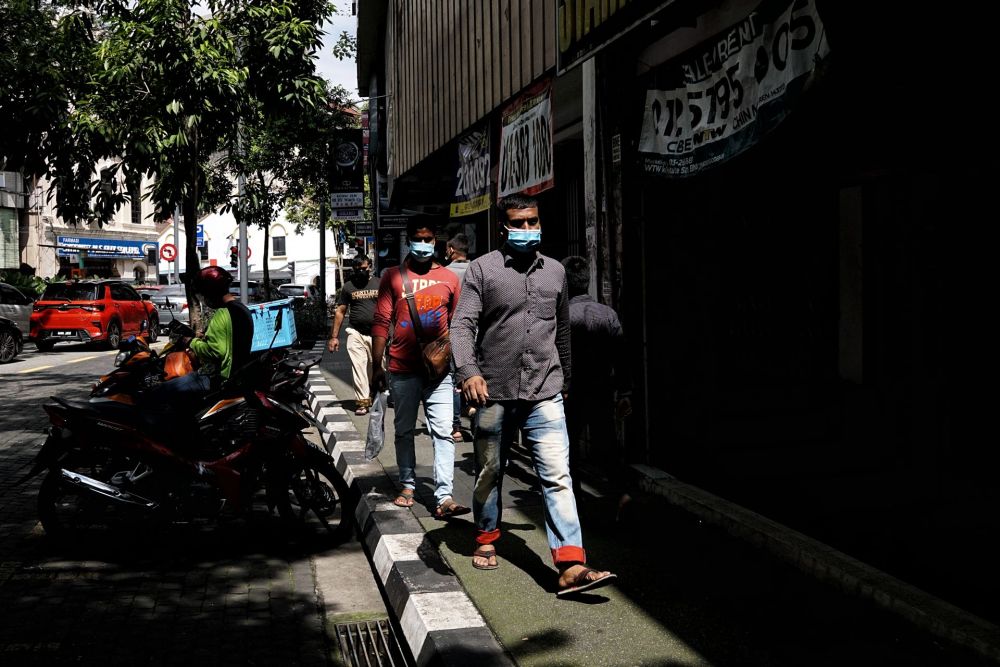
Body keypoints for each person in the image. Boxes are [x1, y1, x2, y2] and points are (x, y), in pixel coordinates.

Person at [451, 193, 617, 597]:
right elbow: (461, 327)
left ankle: (570, 564)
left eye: (533, 221)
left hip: (546, 392)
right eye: (519, 223)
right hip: (494, 393)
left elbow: (561, 333)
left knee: (558, 476)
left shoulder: (556, 272)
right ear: (502, 227)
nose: (528, 230)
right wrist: (468, 372)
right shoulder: (481, 271)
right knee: (491, 471)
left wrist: (567, 383)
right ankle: (487, 536)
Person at [371, 216, 470, 519]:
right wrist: (377, 366)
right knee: (404, 431)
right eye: (418, 238)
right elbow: (381, 323)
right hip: (402, 369)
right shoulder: (392, 276)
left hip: (439, 373)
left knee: (442, 432)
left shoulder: (450, 279)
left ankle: (444, 497)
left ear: (436, 240)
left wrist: (464, 366)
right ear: (409, 239)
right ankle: (408, 483)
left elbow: (459, 325)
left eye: (429, 239)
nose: (424, 244)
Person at [144, 266, 253, 443]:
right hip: (234, 376)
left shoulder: (221, 314)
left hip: (215, 378)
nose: (203, 299)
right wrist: (202, 337)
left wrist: (190, 342)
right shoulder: (242, 309)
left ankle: (171, 445)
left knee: (157, 395)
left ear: (211, 291)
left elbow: (216, 351)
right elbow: (230, 340)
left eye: (203, 293)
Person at [560, 255, 633, 517]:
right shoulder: (608, 313)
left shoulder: (562, 316)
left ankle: (573, 504)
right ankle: (620, 493)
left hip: (571, 392)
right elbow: (621, 357)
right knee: (607, 446)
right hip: (601, 389)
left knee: (568, 451)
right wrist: (625, 391)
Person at [328, 255, 380, 415]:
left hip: (378, 334)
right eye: (358, 270)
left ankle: (373, 392)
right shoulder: (348, 287)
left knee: (376, 368)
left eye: (364, 269)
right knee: (358, 367)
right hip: (355, 332)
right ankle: (362, 402)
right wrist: (334, 337)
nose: (361, 272)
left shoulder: (380, 283)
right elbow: (340, 311)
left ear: (370, 266)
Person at [444, 233, 471, 442]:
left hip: (453, 333)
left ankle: (456, 428)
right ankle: (475, 414)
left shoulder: (444, 274)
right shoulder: (478, 270)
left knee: (454, 380)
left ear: (451, 250)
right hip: (477, 333)